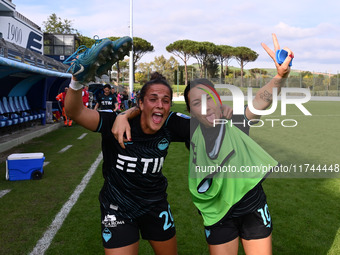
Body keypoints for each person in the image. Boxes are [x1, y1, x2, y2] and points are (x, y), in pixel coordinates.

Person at [113, 34, 293, 255]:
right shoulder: (187, 127)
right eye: (197, 103)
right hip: (217, 213)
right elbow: (152, 110)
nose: (205, 107)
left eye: (209, 98)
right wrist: (124, 114)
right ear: (191, 111)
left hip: (252, 207)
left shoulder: (235, 120)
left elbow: (260, 102)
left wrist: (280, 76)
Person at [64, 35, 195, 253]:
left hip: (155, 205)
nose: (160, 105)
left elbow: (213, 127)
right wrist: (77, 82)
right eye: (153, 99)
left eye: (165, 101)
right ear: (141, 103)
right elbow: (75, 112)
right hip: (118, 207)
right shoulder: (113, 121)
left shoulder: (171, 123)